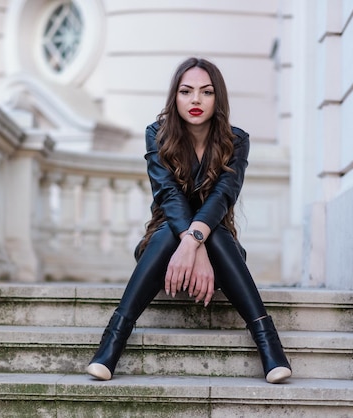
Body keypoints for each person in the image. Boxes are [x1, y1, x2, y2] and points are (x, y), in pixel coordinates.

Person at [86, 57, 292, 384]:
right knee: (171, 234)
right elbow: (167, 194)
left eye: (206, 92)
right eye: (186, 91)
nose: (195, 100)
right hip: (162, 249)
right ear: (175, 97)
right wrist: (189, 243)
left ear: (217, 98)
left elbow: (223, 195)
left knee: (215, 234)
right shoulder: (157, 134)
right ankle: (113, 342)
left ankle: (269, 346)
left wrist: (196, 244)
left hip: (222, 254)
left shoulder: (236, 140)